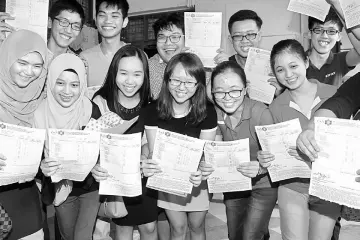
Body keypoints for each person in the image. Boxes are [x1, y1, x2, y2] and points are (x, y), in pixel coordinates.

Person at [257, 39, 340, 240]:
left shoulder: (334, 95)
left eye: (293, 66)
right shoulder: (276, 107)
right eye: (280, 70)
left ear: (306, 62)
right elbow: (272, 150)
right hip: (292, 187)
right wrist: (265, 156)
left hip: (326, 186)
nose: (288, 74)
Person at [142, 52, 217, 240]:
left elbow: (206, 154)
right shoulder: (153, 111)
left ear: (198, 84)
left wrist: (202, 168)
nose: (181, 88)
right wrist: (147, 161)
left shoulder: (208, 112)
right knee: (178, 227)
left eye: (189, 82)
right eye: (175, 80)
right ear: (166, 80)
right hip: (168, 180)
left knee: (197, 225)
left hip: (196, 179)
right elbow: (153, 151)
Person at [90, 45, 157, 240]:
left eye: (137, 74)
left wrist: (145, 155)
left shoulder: (150, 105)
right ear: (114, 73)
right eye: (123, 73)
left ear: (145, 76)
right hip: (114, 179)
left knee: (149, 228)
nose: (130, 81)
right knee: (122, 228)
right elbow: (92, 141)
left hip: (143, 176)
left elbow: (149, 141)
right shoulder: (100, 102)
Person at [34, 53, 101, 240]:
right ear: (51, 82)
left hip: (90, 186)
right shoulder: (39, 113)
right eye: (60, 83)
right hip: (59, 187)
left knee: (82, 236)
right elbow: (34, 158)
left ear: (82, 86)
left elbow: (100, 148)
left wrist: (98, 163)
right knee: (67, 235)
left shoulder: (90, 110)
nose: (67, 91)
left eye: (74, 84)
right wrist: (42, 167)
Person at [208, 61, 277, 240]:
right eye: (219, 91)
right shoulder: (214, 114)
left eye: (234, 90)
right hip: (233, 183)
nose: (227, 97)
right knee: (235, 235)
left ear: (245, 89)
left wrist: (261, 168)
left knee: (250, 236)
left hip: (263, 184)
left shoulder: (261, 113)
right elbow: (214, 146)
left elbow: (278, 157)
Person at [0, 30, 47, 240]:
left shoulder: (41, 98)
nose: (29, 72)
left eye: (37, 66)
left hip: (25, 192)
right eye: (22, 62)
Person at [213, 9, 282, 97]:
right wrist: (222, 70)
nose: (245, 40)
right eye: (238, 36)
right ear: (231, 39)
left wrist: (280, 93)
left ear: (259, 36)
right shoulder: (225, 64)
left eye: (250, 34)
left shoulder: (276, 64)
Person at [306, 0, 360, 88]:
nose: (324, 35)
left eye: (331, 31)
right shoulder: (297, 61)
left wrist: (337, 5)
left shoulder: (340, 61)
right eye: (318, 30)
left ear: (339, 36)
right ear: (309, 34)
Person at [80, 0, 129, 88]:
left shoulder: (136, 56)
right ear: (95, 19)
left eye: (114, 16)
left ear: (125, 21)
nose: (107, 21)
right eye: (102, 15)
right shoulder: (84, 59)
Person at [149, 13, 187, 100]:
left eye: (175, 37)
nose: (168, 43)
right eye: (162, 37)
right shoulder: (148, 67)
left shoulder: (200, 65)